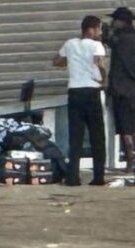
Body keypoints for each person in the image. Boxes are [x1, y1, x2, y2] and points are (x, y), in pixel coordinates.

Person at [53, 15, 107, 186]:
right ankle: (98, 177)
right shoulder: (97, 45)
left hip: (75, 92)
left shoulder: (70, 44)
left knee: (75, 137)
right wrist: (104, 80)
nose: (100, 32)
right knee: (97, 136)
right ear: (90, 29)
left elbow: (57, 61)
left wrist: (72, 63)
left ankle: (73, 177)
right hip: (92, 92)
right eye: (99, 28)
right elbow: (100, 63)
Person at [105, 6, 135, 172]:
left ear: (120, 21)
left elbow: (107, 40)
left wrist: (106, 31)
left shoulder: (121, 39)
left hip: (122, 90)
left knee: (126, 128)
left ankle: (131, 161)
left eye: (114, 20)